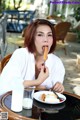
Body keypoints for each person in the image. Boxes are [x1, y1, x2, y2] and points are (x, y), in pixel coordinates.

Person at [0, 19, 65, 95]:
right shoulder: (20, 54)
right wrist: (38, 82)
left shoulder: (56, 62)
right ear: (32, 38)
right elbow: (7, 84)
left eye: (49, 35)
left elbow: (55, 91)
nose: (46, 40)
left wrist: (59, 87)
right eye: (40, 35)